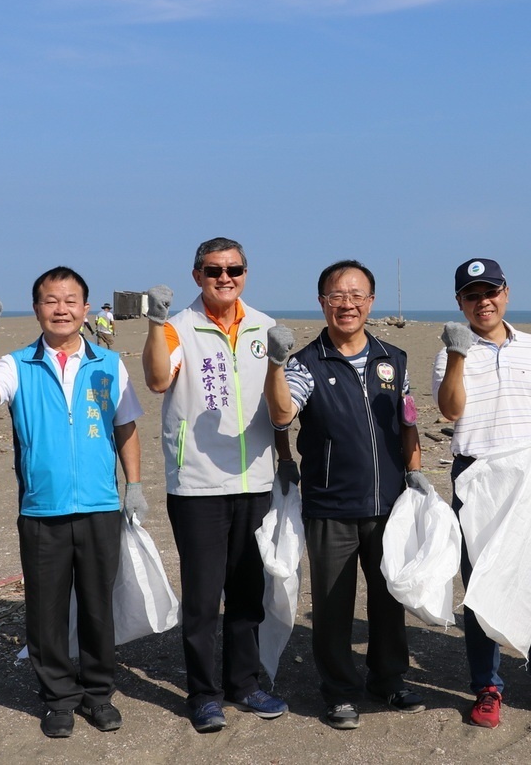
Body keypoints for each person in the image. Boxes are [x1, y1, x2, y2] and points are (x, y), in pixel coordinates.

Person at [0, 267, 147, 738]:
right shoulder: (18, 363)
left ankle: (98, 693)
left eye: (70, 300)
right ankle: (58, 699)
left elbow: (125, 426)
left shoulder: (108, 363)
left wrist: (134, 485)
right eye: (50, 300)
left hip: (100, 506)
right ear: (38, 308)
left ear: (86, 309)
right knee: (44, 610)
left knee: (96, 606)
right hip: (42, 510)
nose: (61, 308)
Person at [265, 259, 427, 730]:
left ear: (371, 302)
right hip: (331, 506)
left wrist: (415, 471)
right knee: (333, 605)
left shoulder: (392, 359)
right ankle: (338, 691)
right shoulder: (306, 363)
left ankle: (389, 679)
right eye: (337, 296)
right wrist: (277, 364)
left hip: (388, 503)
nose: (348, 304)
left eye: (357, 295)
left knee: (388, 598)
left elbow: (409, 421)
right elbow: (281, 415)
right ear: (322, 303)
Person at [141, 237, 289, 733]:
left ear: (246, 271)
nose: (224, 278)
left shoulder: (265, 327)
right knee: (204, 599)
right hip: (198, 483)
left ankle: (244, 683)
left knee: (249, 592)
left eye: (233, 269)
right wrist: (156, 325)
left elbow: (280, 401)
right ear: (196, 274)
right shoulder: (179, 327)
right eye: (213, 270)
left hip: (255, 480)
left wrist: (286, 460)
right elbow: (159, 380)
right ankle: (204, 694)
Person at [433, 257, 531, 730]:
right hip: (478, 477)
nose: (484, 301)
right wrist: (457, 355)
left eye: (491, 291)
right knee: (480, 588)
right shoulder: (449, 351)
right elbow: (448, 410)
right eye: (472, 295)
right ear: (460, 302)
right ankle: (488, 687)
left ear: (506, 293)